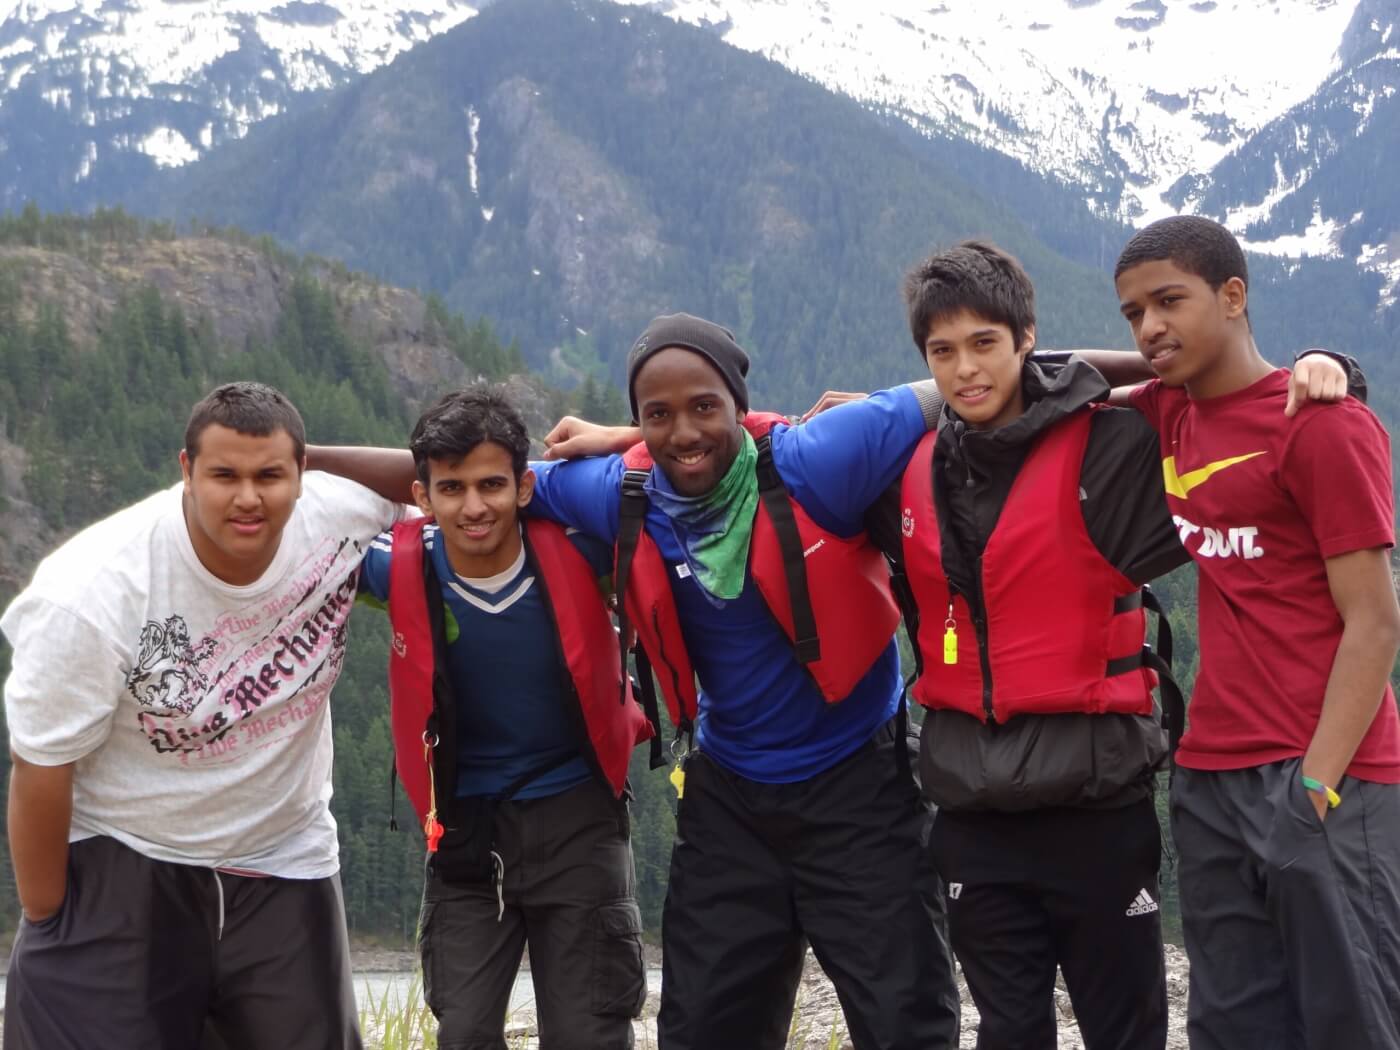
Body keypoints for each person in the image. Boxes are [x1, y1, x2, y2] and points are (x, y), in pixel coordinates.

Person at [530, 313, 960, 1050]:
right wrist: (298, 464)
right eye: (657, 416)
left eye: (704, 407)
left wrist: (1196, 366)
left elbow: (971, 379)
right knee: (703, 1028)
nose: (684, 433)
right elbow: (473, 476)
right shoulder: (622, 491)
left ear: (737, 404)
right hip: (730, 800)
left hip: (863, 785)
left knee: (905, 1023)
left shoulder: (816, 459)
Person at [850, 240, 1188, 1049]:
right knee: (1008, 1031)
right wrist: (626, 441)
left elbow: (1216, 388)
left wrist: (1326, 368)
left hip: (1097, 805)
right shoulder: (908, 466)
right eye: (943, 352)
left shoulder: (1107, 448)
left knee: (1126, 1030)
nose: (965, 370)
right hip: (974, 816)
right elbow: (738, 452)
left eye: (985, 344)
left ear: (1027, 338)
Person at [1, 381, 403, 1050]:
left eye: (271, 473)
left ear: (303, 473)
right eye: (225, 474)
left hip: (284, 856)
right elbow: (40, 768)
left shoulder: (341, 512)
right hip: (129, 856)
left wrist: (310, 454)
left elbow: (455, 472)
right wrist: (50, 919)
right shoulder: (91, 593)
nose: (249, 497)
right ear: (186, 472)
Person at [1114, 215, 1400, 1050]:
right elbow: (1057, 374)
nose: (1150, 327)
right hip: (1209, 777)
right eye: (1134, 313)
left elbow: (1376, 622)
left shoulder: (1322, 425)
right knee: (1232, 1025)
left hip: (1327, 771)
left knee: (1353, 1020)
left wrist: (1314, 789)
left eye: (1170, 301)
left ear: (1234, 295)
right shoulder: (1170, 411)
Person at [354, 386, 651, 1050]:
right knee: (463, 1030)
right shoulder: (400, 570)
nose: (474, 505)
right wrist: (302, 454)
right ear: (422, 497)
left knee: (590, 1033)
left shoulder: (584, 552)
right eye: (451, 488)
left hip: (579, 822)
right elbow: (288, 514)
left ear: (525, 487)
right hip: (465, 835)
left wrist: (616, 435)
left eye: (492, 484)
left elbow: (692, 456)